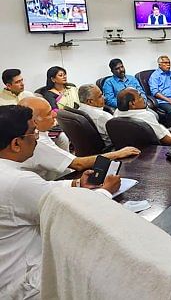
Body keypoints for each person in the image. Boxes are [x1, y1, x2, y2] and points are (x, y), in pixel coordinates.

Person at [0, 105, 120, 299]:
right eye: (33, 132)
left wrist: (75, 183)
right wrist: (105, 191)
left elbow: (43, 189)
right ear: (16, 143)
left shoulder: (11, 176)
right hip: (23, 284)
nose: (37, 138)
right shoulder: (17, 182)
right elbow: (73, 213)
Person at [18, 96, 139, 180]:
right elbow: (78, 164)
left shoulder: (37, 132)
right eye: (49, 113)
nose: (55, 114)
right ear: (34, 122)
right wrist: (118, 153)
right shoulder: (36, 141)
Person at [77, 84, 113, 148]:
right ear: (90, 101)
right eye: (100, 96)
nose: (104, 98)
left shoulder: (78, 110)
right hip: (111, 148)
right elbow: (120, 135)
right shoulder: (102, 116)